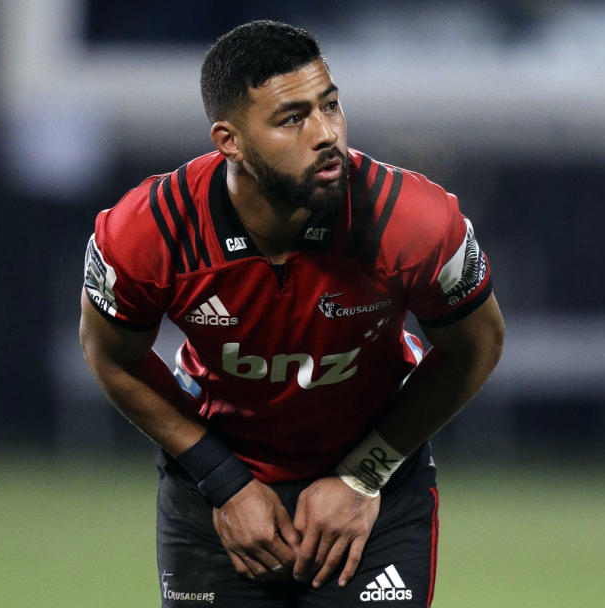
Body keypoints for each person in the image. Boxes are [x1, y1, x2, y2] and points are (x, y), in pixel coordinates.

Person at [79, 19, 503, 608]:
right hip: (217, 492)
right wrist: (223, 482)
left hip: (373, 490)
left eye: (330, 105)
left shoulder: (414, 221)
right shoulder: (148, 230)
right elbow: (110, 353)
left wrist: (362, 475)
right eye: (292, 118)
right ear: (229, 141)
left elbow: (475, 346)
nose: (327, 133)